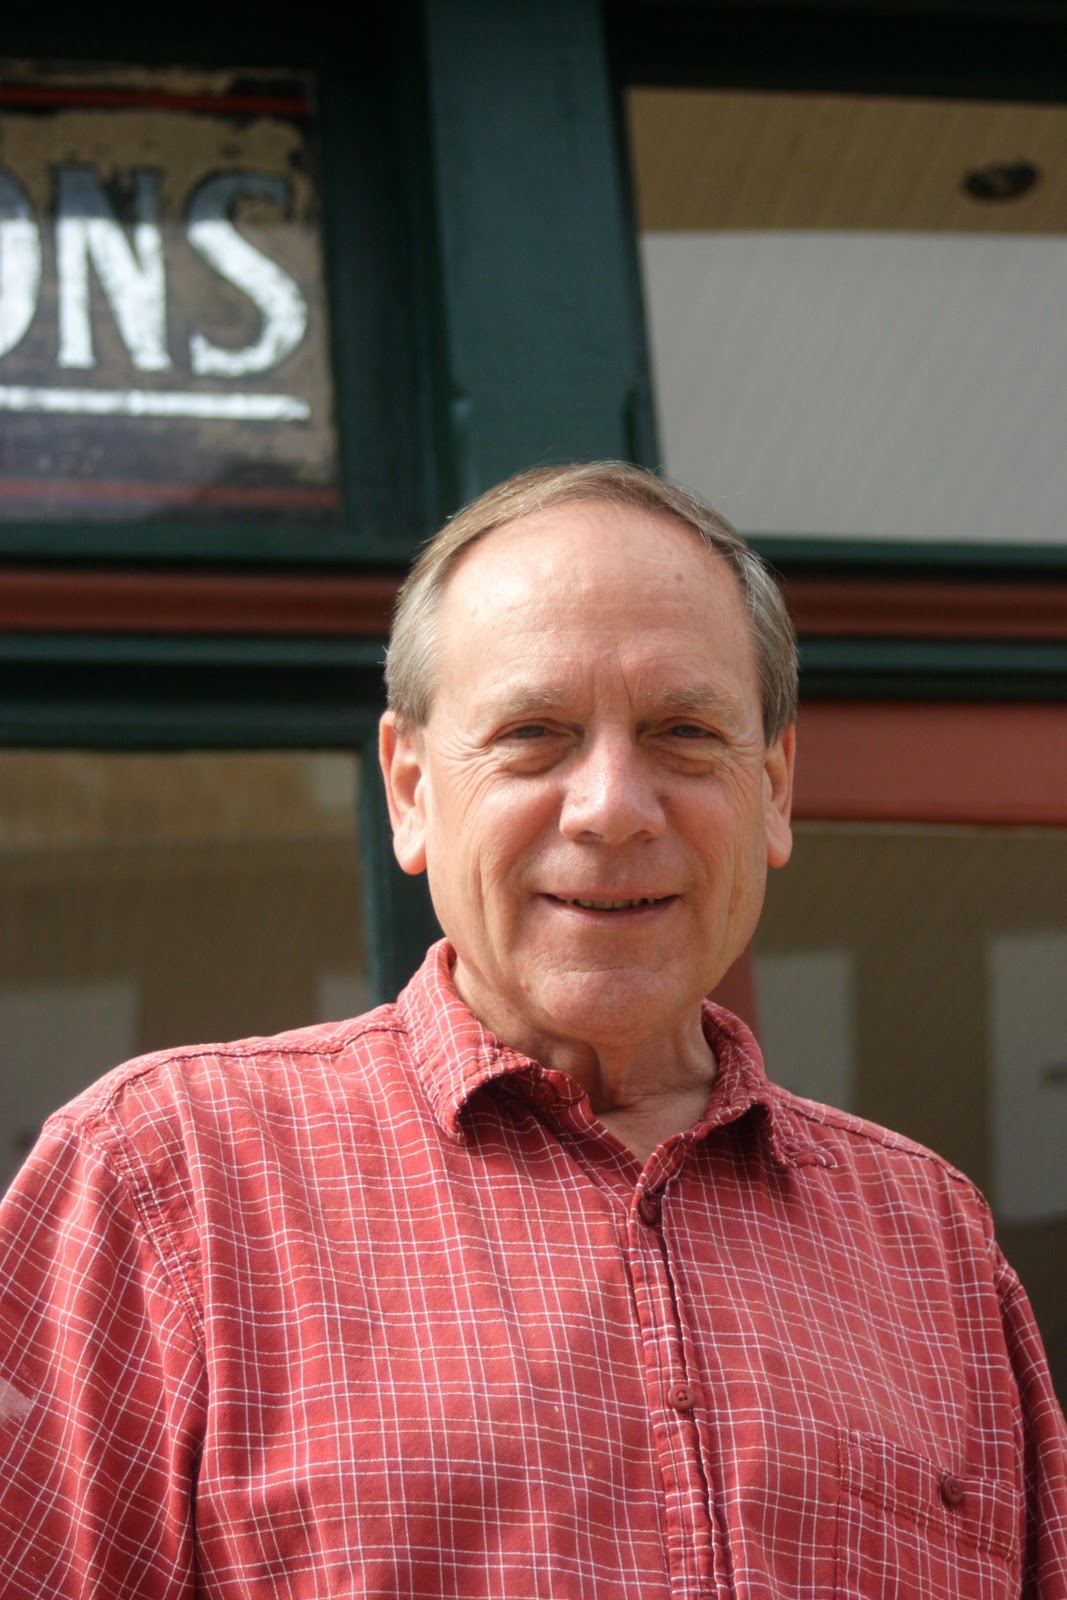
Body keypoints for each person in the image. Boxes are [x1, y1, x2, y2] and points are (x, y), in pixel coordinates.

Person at [0, 461, 1063, 1599]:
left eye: (682, 730)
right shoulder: (167, 1181)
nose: (611, 807)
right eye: (533, 733)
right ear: (410, 790)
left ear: (772, 788)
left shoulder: (931, 1242)